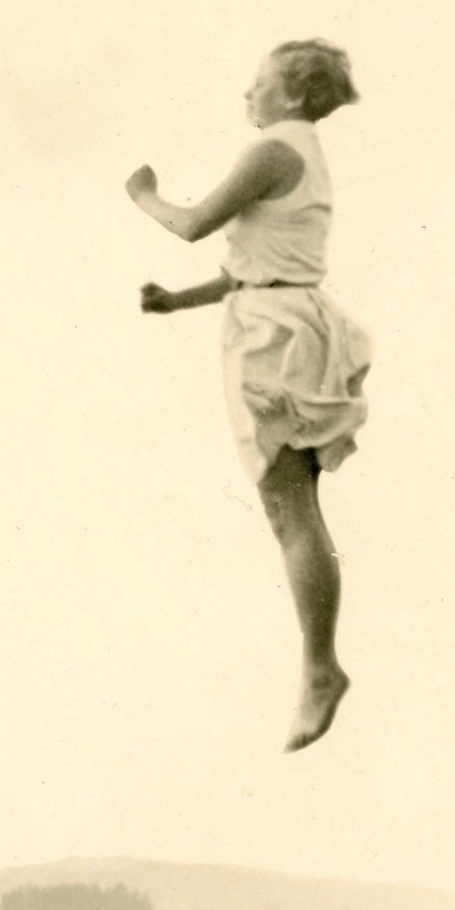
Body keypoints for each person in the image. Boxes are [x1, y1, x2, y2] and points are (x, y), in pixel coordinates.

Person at [125, 39, 368, 753]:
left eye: (257, 82)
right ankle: (320, 664)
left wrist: (142, 192)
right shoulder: (303, 155)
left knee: (288, 505)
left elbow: (193, 223)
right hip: (290, 319)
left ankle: (320, 668)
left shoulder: (271, 152)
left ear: (291, 94)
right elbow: (254, 267)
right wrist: (177, 302)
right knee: (295, 502)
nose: (247, 93)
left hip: (273, 338)